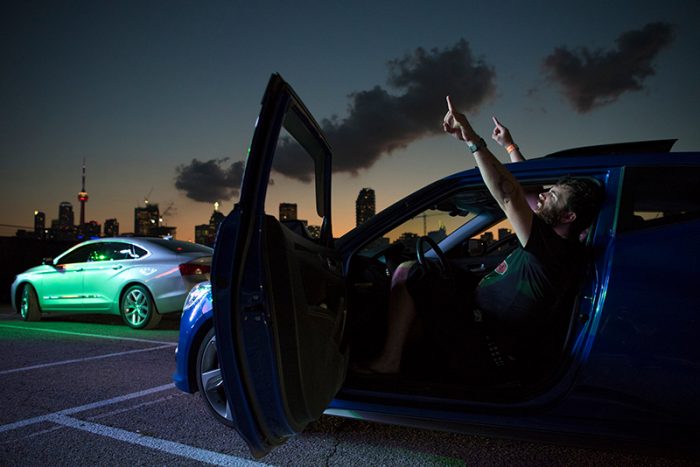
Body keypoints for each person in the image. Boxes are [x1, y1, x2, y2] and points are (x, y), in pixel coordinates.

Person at [358, 97, 605, 376]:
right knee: (431, 285)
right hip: (476, 313)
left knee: (407, 272)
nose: (545, 196)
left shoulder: (552, 252)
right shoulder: (557, 236)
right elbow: (531, 193)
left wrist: (472, 140)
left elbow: (509, 194)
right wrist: (510, 147)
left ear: (569, 217)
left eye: (554, 195)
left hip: (481, 336)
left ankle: (389, 363)